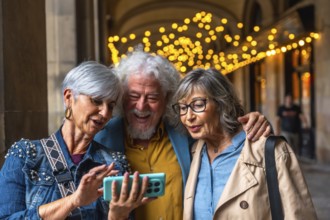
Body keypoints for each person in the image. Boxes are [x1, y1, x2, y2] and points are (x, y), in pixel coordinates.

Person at [94, 49, 272, 220]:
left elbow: (219, 127)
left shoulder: (185, 133)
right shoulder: (101, 138)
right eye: (133, 96)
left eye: (152, 98)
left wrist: (255, 121)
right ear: (121, 97)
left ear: (167, 99)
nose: (141, 106)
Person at [0, 61, 152, 220]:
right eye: (97, 100)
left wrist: (116, 216)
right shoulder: (25, 155)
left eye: (111, 105)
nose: (105, 112)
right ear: (69, 98)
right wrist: (73, 201)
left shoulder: (115, 164)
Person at [171, 68, 317, 219]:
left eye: (198, 105)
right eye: (183, 107)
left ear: (222, 103)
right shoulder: (193, 152)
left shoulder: (272, 152)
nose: (188, 116)